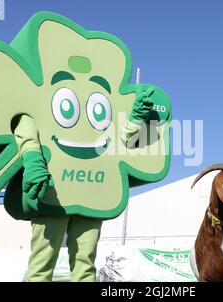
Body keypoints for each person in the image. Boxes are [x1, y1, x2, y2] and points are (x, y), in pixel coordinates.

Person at [13, 86, 155, 282]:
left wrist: (135, 120)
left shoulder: (101, 91)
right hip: (53, 191)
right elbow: (25, 118)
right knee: (41, 268)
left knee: (85, 268)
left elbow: (121, 141)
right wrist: (32, 156)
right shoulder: (42, 85)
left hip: (91, 191)